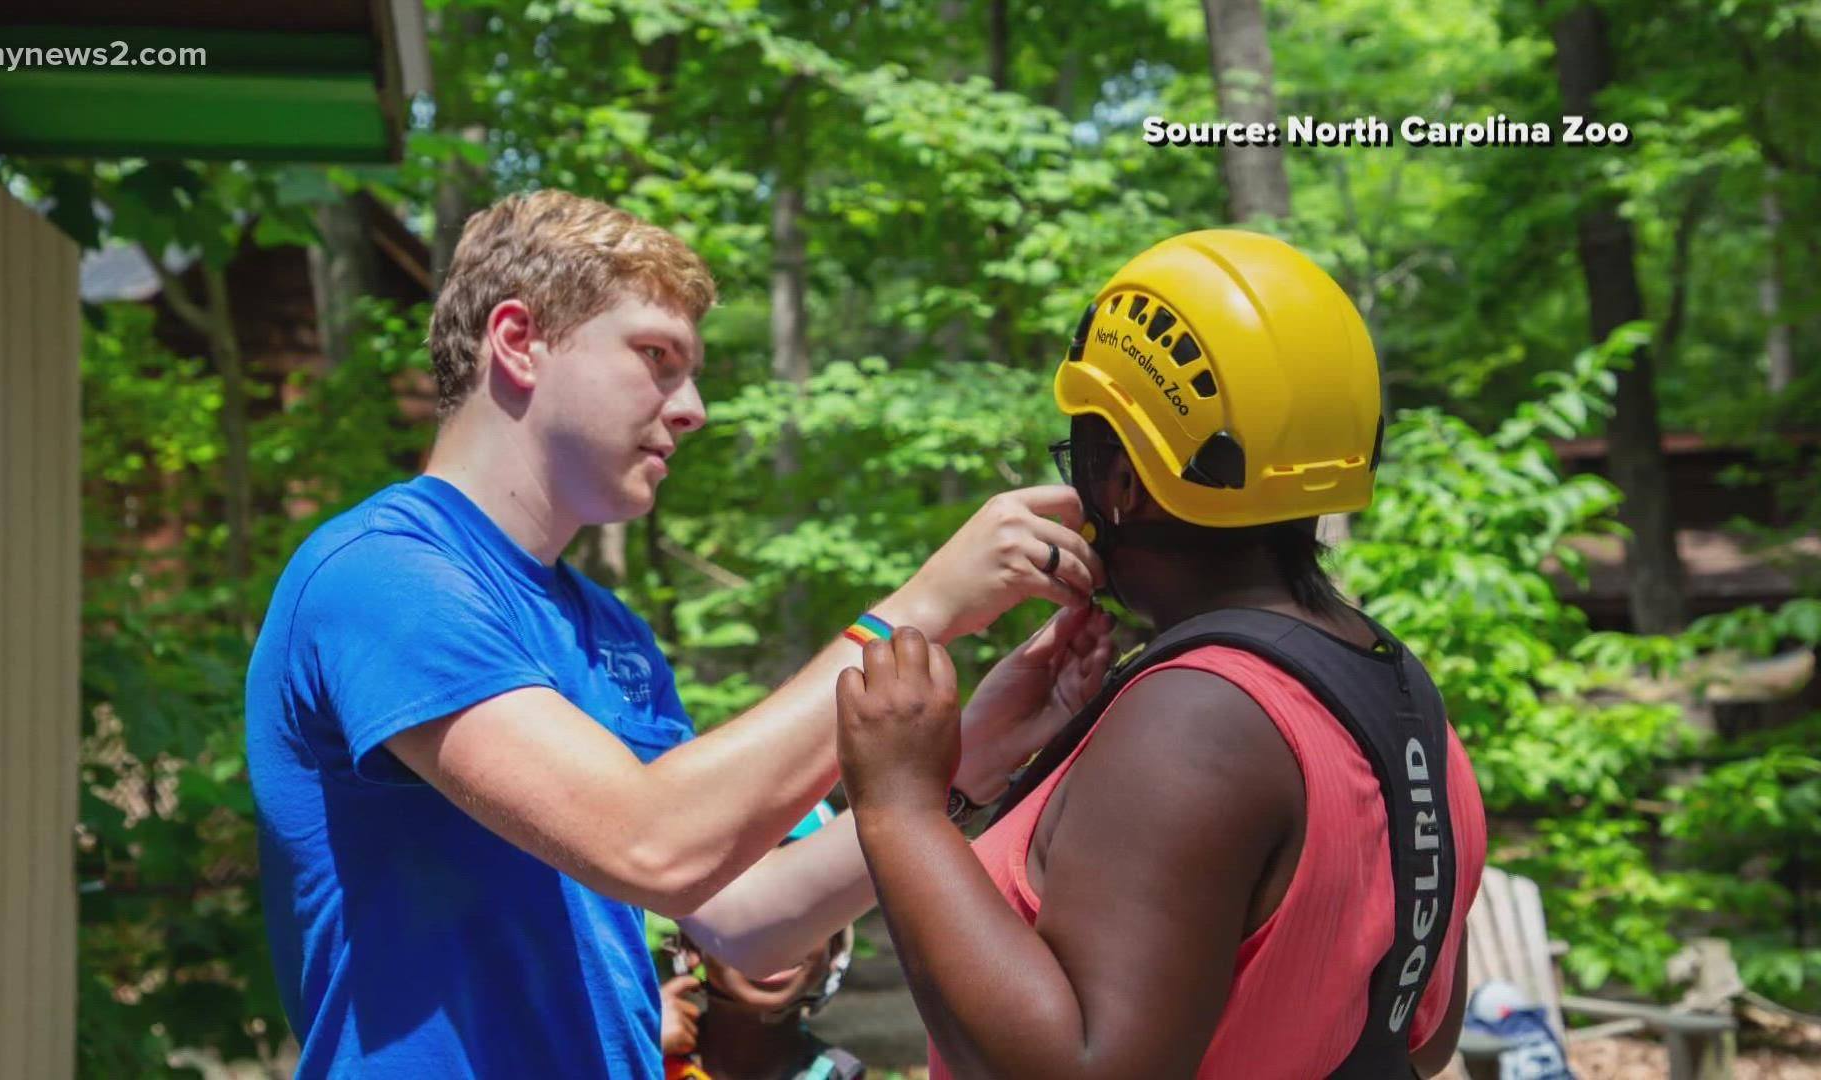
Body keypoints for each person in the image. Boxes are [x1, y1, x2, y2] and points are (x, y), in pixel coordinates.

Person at [244, 189, 1115, 1078]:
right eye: (656, 357)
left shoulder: (609, 633)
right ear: (517, 341)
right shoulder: (380, 575)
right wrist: (926, 604)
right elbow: (652, 845)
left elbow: (743, 917)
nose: (693, 406)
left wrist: (966, 760)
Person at [833, 230, 1491, 1079]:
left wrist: (900, 805)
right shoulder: (1400, 694)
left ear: (1124, 481)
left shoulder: (1198, 714)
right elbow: (1419, 1032)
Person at [659, 801, 866, 1080]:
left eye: (802, 916)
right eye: (746, 916)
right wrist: (635, 1046)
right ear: (692, 945)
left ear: (836, 947)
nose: (772, 944)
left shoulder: (839, 1074)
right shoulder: (646, 1057)